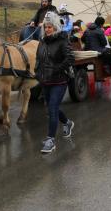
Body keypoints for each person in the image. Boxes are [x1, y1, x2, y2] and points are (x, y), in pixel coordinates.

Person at [34, 12, 75, 153]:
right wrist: (37, 71)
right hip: (45, 80)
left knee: (52, 108)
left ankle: (51, 140)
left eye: (50, 27)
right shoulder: (43, 41)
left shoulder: (62, 40)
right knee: (53, 107)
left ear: (55, 26)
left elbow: (70, 58)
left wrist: (57, 69)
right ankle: (67, 123)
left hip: (59, 80)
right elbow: (39, 58)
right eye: (45, 27)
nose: (47, 29)